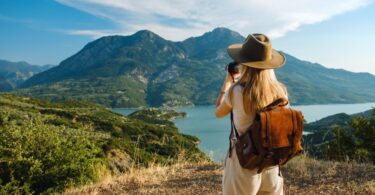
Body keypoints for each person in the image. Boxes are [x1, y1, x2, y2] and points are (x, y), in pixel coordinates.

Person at [215, 33, 288, 195]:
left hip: (243, 164)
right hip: (271, 165)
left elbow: (218, 112)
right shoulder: (281, 91)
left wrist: (228, 82)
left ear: (244, 63)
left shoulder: (237, 91)